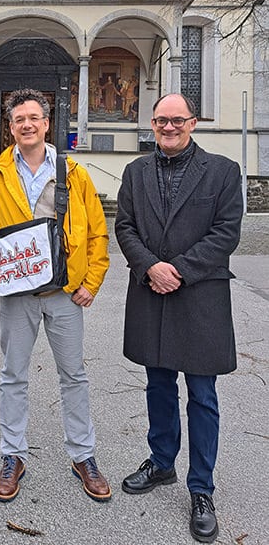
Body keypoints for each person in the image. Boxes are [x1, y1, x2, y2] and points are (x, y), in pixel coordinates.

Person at [0, 88, 111, 503]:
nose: (26, 124)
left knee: (74, 375)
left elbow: (98, 232)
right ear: (10, 129)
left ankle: (83, 456)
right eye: (18, 120)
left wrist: (92, 282)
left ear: (47, 123)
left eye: (33, 118)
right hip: (17, 294)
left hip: (64, 292)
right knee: (13, 375)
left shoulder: (74, 172)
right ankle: (13, 456)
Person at [115, 93, 243, 544]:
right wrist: (151, 266)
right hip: (152, 291)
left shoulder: (224, 172)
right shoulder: (135, 172)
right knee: (158, 384)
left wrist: (179, 272)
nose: (168, 128)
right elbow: (125, 226)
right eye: (160, 121)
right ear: (152, 125)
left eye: (176, 120)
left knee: (203, 395)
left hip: (200, 296)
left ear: (193, 123)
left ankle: (201, 488)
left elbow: (227, 231)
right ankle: (162, 460)